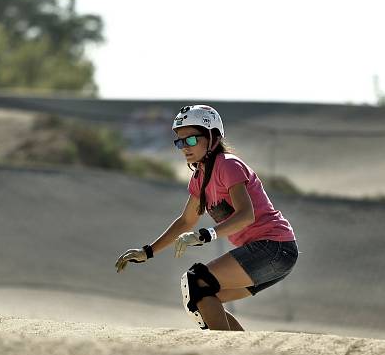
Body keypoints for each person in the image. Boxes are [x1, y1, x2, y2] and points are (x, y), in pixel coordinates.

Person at [115, 104, 298, 331]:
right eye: (180, 142)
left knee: (195, 281)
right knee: (202, 295)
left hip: (274, 248)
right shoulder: (199, 178)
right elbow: (186, 221)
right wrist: (148, 251)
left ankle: (224, 352)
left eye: (191, 140)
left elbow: (246, 215)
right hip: (270, 254)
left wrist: (205, 235)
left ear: (212, 137)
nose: (184, 148)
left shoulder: (228, 165)